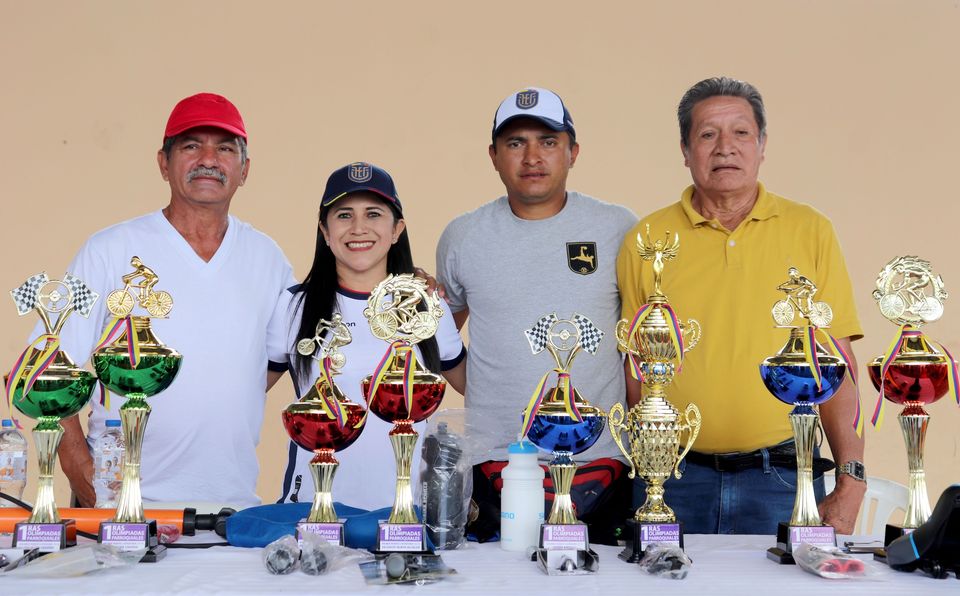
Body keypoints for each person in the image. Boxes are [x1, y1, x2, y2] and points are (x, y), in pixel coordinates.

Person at [616, 76, 866, 534]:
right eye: (707, 134)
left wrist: (851, 477)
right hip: (673, 480)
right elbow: (637, 369)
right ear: (685, 149)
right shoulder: (647, 240)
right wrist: (649, 467)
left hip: (784, 477)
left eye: (741, 133)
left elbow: (837, 365)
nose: (725, 148)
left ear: (762, 145)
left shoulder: (810, 231)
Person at [52, 93, 294, 508]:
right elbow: (49, 368)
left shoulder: (267, 258)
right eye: (191, 146)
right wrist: (84, 475)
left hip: (229, 507)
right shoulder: (107, 250)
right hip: (120, 509)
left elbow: (276, 358)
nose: (208, 159)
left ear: (244, 169)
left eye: (225, 148)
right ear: (163, 163)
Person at [436, 87, 638, 541]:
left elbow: (639, 343)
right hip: (497, 462)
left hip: (600, 463)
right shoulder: (464, 235)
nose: (532, 157)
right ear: (493, 155)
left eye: (548, 141)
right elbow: (441, 336)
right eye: (515, 143)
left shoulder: (618, 227)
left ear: (573, 152)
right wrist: (488, 389)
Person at [268, 162, 466, 509]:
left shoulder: (426, 304)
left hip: (409, 515)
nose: (358, 227)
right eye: (344, 215)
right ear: (325, 230)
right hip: (311, 512)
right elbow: (242, 391)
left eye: (374, 214)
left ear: (397, 229)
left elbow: (477, 387)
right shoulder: (293, 306)